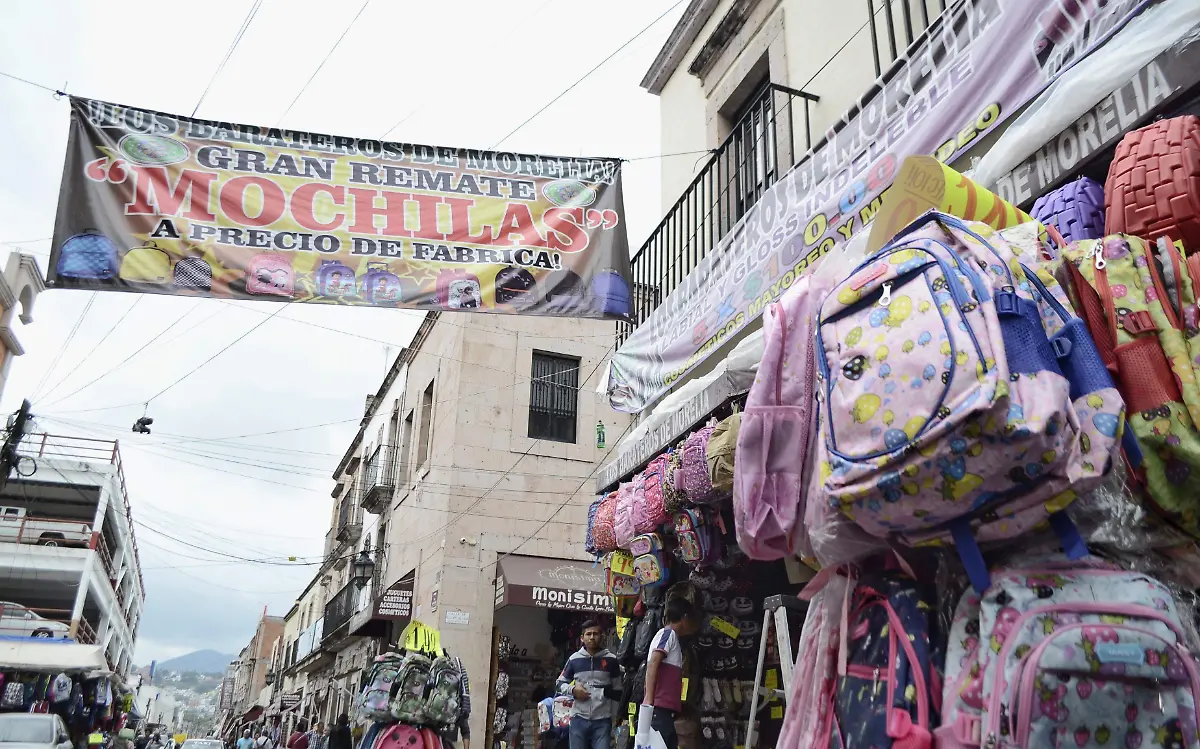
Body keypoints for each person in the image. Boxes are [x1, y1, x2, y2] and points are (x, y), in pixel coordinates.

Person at [641, 598, 701, 749]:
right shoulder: (668, 634)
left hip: (663, 711)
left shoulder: (671, 637)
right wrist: (649, 700)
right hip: (658, 710)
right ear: (685, 618)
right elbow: (654, 663)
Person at [556, 620, 622, 749]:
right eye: (588, 634)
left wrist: (613, 718)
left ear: (602, 636)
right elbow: (559, 683)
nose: (592, 637)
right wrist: (573, 690)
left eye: (596, 634)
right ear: (582, 638)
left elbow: (617, 690)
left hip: (603, 721)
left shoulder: (611, 660)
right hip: (578, 720)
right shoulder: (574, 659)